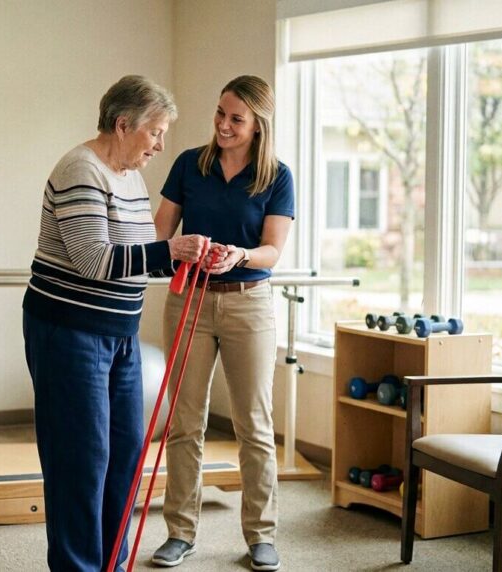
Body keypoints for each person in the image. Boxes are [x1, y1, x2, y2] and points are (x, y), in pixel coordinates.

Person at [22, 75, 208, 571]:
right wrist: (167, 248)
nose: (161, 144)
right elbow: (91, 259)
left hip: (119, 335)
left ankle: (110, 564)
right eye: (155, 132)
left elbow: (137, 257)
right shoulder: (81, 169)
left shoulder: (131, 175)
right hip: (69, 332)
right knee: (80, 463)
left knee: (125, 457)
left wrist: (188, 259)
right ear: (123, 125)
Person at [150, 76, 295, 571]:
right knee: (185, 423)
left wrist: (241, 255)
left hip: (248, 303)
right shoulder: (190, 163)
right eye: (219, 113)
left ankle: (261, 536)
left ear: (258, 125)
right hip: (189, 301)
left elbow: (273, 250)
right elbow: (159, 231)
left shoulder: (277, 176)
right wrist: (177, 249)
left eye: (236, 118)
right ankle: (180, 533)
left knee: (254, 424)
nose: (224, 125)